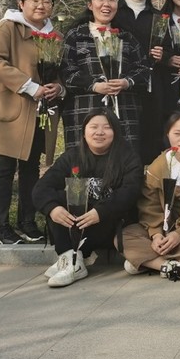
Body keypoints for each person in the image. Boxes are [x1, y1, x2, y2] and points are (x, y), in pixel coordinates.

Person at [0, 0, 62, 244]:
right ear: (21, 3)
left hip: (39, 112)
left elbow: (58, 70)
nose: (41, 5)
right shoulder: (7, 28)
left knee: (31, 167)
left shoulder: (54, 36)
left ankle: (27, 222)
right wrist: (31, 87)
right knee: (5, 168)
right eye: (35, 0)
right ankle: (2, 227)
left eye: (46, 1)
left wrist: (58, 87)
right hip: (10, 110)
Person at [33, 110, 143, 287]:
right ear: (84, 132)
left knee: (109, 205)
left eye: (106, 127)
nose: (99, 132)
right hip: (78, 222)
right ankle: (69, 257)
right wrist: (52, 208)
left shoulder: (128, 157)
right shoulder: (72, 156)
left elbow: (130, 192)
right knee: (57, 199)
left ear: (115, 132)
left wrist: (100, 212)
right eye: (94, 127)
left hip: (110, 225)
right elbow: (41, 187)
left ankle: (74, 260)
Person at [121, 111, 180, 282]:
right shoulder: (158, 165)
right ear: (168, 135)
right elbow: (149, 205)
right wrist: (155, 234)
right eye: (177, 134)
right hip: (161, 226)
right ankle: (172, 267)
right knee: (122, 237)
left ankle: (145, 262)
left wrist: (179, 233)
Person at [60, 0, 148, 152]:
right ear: (90, 5)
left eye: (111, 0)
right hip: (85, 109)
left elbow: (143, 69)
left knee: (123, 159)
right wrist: (94, 85)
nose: (106, 4)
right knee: (84, 159)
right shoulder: (76, 35)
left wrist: (126, 82)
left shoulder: (126, 37)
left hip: (124, 110)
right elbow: (66, 71)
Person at [112, 0, 163, 164]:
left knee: (146, 140)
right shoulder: (113, 10)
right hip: (117, 85)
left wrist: (163, 54)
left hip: (148, 86)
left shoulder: (158, 17)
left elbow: (169, 49)